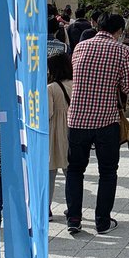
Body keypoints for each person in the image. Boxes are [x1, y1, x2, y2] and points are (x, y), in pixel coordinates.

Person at [65, 13, 129, 234]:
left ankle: (74, 218)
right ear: (119, 31)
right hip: (106, 120)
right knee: (107, 171)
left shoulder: (80, 47)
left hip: (77, 118)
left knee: (75, 169)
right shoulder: (122, 50)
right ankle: (102, 221)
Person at [47, 52, 73, 218]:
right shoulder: (77, 84)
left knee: (49, 173)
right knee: (70, 172)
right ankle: (73, 208)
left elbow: (48, 113)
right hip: (72, 130)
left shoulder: (50, 88)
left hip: (54, 132)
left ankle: (46, 209)